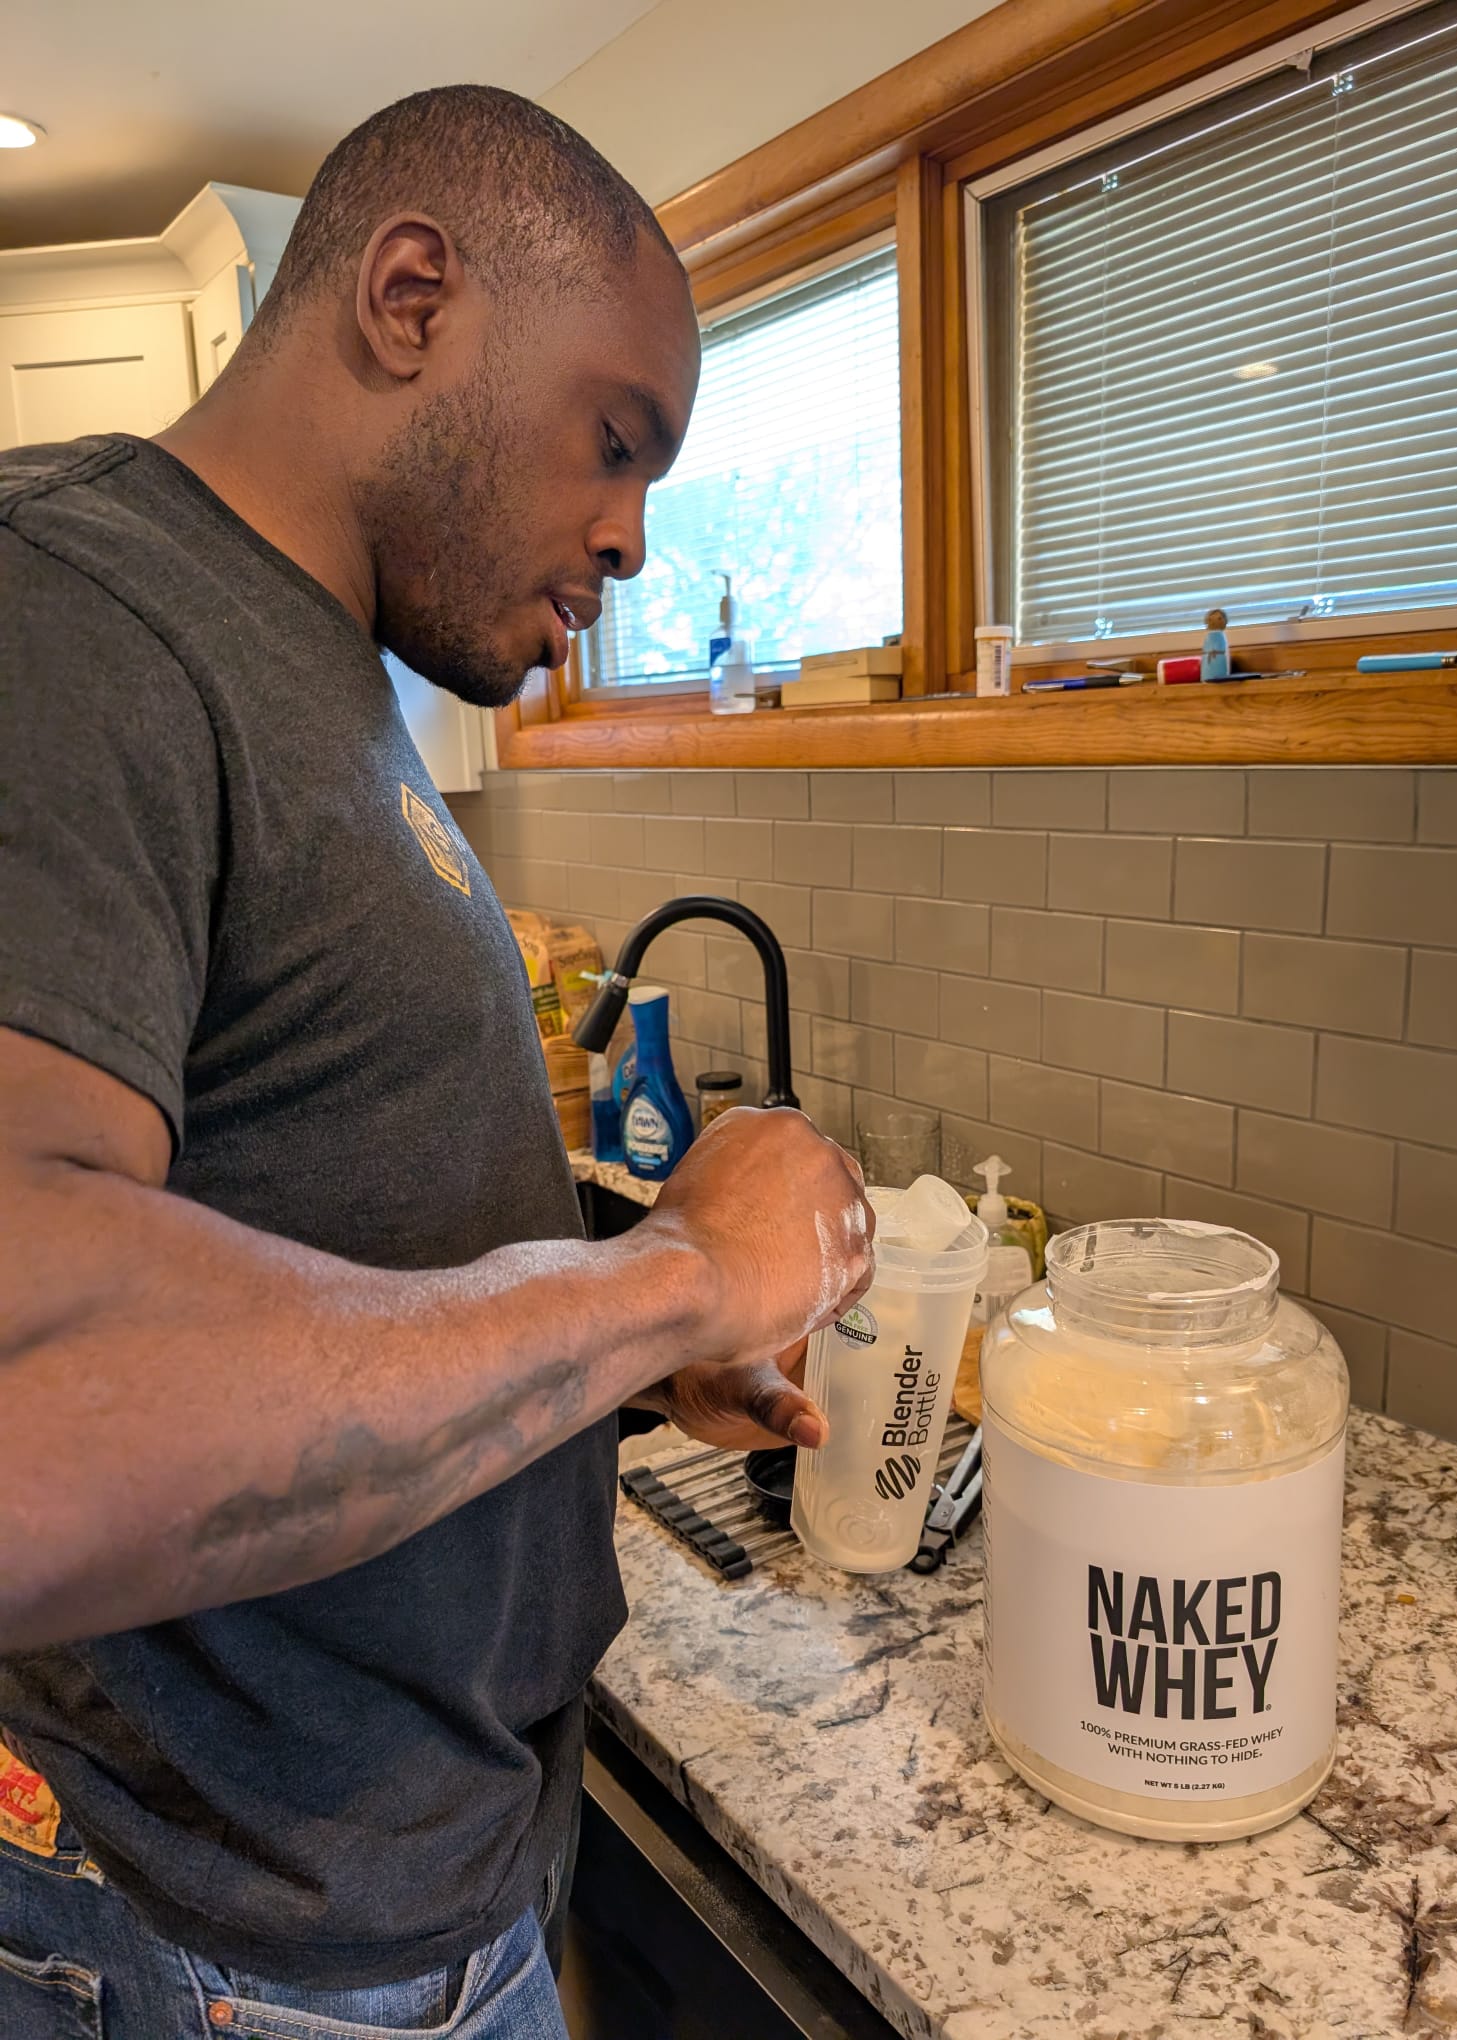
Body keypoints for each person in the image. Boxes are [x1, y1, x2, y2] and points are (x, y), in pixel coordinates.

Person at [0, 84, 874, 2037]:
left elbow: (323, 1246)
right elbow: (36, 1395)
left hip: (404, 1895)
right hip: (225, 1955)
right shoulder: (73, 608)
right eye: (617, 439)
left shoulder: (324, 678)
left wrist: (639, 1364)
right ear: (412, 298)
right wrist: (677, 1271)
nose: (635, 538)